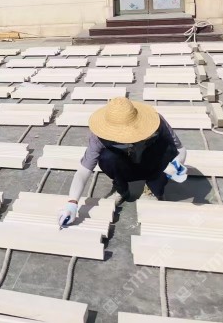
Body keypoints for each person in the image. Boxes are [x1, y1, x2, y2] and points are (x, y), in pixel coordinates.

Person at [58, 97, 187, 227]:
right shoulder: (99, 137)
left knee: (168, 149)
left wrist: (176, 164)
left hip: (151, 162)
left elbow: (180, 150)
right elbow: (83, 171)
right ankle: (121, 189)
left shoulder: (157, 123)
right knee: (106, 157)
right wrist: (72, 203)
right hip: (126, 166)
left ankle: (154, 188)